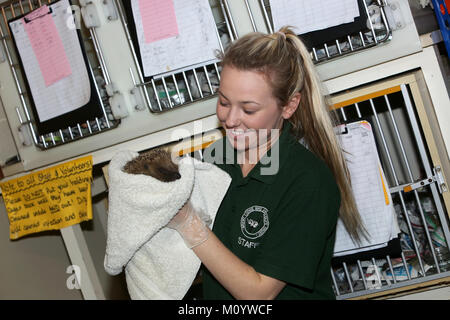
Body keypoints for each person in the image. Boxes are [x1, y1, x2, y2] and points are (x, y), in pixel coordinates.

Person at [167, 27, 367, 300]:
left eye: (249, 109)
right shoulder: (217, 157)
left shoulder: (308, 182)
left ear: (288, 106)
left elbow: (258, 294)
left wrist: (189, 224)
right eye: (224, 102)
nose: (231, 119)